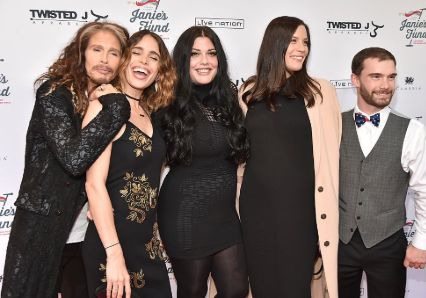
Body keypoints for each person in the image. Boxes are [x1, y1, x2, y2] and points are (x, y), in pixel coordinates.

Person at [1, 21, 130, 298]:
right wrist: (118, 106)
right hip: (41, 227)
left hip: (84, 234)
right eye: (97, 49)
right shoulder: (54, 93)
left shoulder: (104, 99)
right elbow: (74, 158)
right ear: (81, 52)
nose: (105, 59)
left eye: (114, 53)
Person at [238, 16, 341, 298]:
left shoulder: (321, 91)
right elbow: (240, 158)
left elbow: (332, 158)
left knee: (296, 288)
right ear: (276, 44)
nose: (301, 48)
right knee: (261, 288)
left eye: (305, 42)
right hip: (255, 212)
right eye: (293, 40)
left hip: (301, 214)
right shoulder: (248, 92)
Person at [338, 47, 426, 298]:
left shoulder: (413, 130)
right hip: (339, 242)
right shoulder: (333, 124)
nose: (386, 85)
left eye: (391, 77)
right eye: (376, 76)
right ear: (355, 80)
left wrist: (421, 242)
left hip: (388, 243)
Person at [82, 30, 176, 298]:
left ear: (160, 70)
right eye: (137, 53)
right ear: (123, 59)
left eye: (153, 57)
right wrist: (114, 255)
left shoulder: (152, 114)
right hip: (111, 246)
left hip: (147, 248)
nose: (144, 62)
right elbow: (94, 183)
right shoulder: (105, 105)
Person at [158, 26, 250, 298]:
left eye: (211, 53)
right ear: (183, 60)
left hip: (224, 217)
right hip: (185, 213)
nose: (205, 61)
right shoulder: (166, 103)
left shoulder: (228, 100)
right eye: (195, 54)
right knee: (193, 291)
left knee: (236, 290)